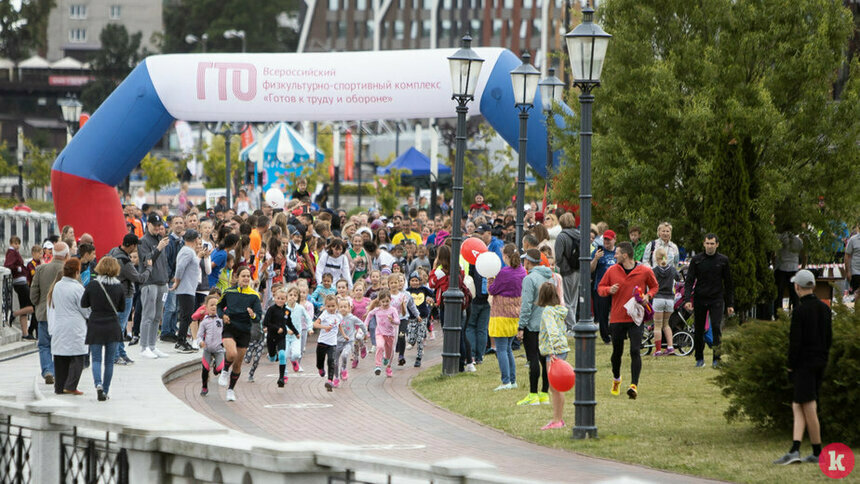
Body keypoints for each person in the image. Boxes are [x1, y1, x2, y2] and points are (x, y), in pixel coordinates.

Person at [773, 270, 832, 465]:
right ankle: (796, 447)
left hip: (804, 363)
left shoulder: (799, 311)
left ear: (797, 287)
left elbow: (795, 342)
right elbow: (829, 337)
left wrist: (791, 366)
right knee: (798, 404)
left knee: (808, 405)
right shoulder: (824, 309)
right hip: (820, 361)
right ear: (813, 286)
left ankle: (816, 450)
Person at [598, 242, 658, 400]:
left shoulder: (644, 270)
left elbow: (654, 286)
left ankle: (634, 385)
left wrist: (648, 296)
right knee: (616, 352)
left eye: (617, 253)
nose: (615, 256)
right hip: (617, 317)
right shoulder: (612, 270)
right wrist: (608, 290)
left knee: (634, 350)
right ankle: (616, 379)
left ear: (625, 255)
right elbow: (600, 287)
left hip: (636, 317)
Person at [684, 233, 735, 368]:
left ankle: (716, 358)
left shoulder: (723, 260)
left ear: (717, 244)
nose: (710, 246)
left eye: (712, 244)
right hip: (700, 298)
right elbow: (689, 281)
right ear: (704, 244)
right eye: (707, 243)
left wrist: (730, 304)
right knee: (699, 329)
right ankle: (699, 358)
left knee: (716, 327)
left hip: (717, 298)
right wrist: (687, 299)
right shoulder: (697, 260)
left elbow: (729, 283)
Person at [81, 257, 126, 402]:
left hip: (95, 324)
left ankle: (98, 384)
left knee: (96, 359)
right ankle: (105, 390)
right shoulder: (119, 287)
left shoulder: (93, 285)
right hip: (112, 325)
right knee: (109, 361)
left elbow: (84, 303)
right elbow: (122, 308)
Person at [216, 266, 263, 401]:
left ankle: (230, 390)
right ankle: (224, 371)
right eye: (243, 276)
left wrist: (253, 315)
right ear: (237, 278)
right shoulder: (229, 292)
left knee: (237, 364)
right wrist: (222, 315)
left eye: (248, 276)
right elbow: (219, 306)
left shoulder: (254, 295)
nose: (246, 278)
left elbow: (258, 316)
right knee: (231, 353)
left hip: (244, 331)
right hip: (230, 327)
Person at [516, 249, 555, 406]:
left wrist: (521, 326)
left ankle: (533, 394)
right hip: (546, 323)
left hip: (533, 324)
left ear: (528, 261)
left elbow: (526, 304)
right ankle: (544, 394)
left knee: (532, 358)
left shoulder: (529, 278)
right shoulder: (550, 277)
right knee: (544, 358)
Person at [108, 234, 152, 365]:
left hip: (113, 293)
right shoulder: (125, 262)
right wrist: (149, 268)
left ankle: (121, 353)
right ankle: (115, 356)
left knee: (118, 325)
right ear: (132, 246)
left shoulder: (113, 251)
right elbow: (139, 278)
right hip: (125, 295)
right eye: (135, 245)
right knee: (120, 326)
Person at [47, 259, 88, 395]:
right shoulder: (78, 288)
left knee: (60, 357)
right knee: (77, 357)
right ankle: (71, 385)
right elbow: (85, 309)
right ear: (77, 272)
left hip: (60, 324)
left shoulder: (57, 286)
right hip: (75, 325)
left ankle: (59, 386)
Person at [31, 241, 70, 384]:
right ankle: (58, 371)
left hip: (44, 313)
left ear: (52, 254)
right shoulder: (70, 270)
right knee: (61, 344)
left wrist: (39, 304)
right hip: (64, 315)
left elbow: (33, 294)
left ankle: (47, 370)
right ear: (66, 254)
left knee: (44, 344)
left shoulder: (41, 269)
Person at [488, 244, 526, 391]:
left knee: (502, 349)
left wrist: (490, 279)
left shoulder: (504, 273)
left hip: (501, 315)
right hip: (515, 314)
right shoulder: (522, 271)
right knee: (508, 348)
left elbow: (492, 290)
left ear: (506, 256)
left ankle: (506, 381)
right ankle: (512, 379)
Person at [536, 282, 570, 430]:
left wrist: (553, 351)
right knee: (556, 386)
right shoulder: (559, 310)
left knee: (555, 387)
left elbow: (552, 330)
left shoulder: (548, 312)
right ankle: (557, 418)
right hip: (561, 349)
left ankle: (557, 419)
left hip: (554, 351)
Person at [137, 214, 171, 359]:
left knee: (157, 316)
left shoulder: (159, 239)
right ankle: (144, 346)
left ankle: (152, 345)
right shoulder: (143, 241)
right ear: (148, 224)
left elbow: (164, 262)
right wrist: (158, 248)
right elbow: (147, 261)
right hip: (149, 282)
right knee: (148, 315)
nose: (158, 228)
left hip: (162, 282)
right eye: (155, 225)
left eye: (159, 225)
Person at [173, 230, 206, 352]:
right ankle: (180, 341)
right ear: (195, 239)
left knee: (187, 315)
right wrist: (177, 281)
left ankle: (182, 340)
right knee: (186, 315)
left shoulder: (189, 251)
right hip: (185, 288)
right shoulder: (187, 251)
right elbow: (180, 266)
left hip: (189, 288)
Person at [262, 288, 298, 388]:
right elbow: (266, 323)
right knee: (272, 358)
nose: (280, 300)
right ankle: (273, 356)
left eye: (282, 298)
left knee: (282, 354)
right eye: (278, 298)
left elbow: (289, 323)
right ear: (275, 298)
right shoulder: (271, 309)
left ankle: (281, 378)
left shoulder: (287, 311)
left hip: (281, 337)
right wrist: (276, 328)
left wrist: (296, 332)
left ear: (286, 299)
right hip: (271, 336)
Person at [554, 213, 581, 333]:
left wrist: (560, 266)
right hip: (578, 269)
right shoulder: (580, 234)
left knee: (566, 299)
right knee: (574, 300)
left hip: (566, 270)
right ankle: (572, 324)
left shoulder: (561, 237)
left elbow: (558, 256)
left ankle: (572, 326)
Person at [651, 248, 679, 356]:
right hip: (670, 300)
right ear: (666, 257)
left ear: (656, 258)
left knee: (657, 325)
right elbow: (678, 278)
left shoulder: (654, 271)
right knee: (666, 324)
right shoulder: (672, 269)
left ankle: (658, 349)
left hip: (658, 299)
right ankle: (670, 347)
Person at [590, 229, 617, 344]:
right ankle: (605, 337)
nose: (606, 242)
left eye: (608, 240)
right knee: (603, 313)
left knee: (616, 312)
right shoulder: (598, 252)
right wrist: (595, 258)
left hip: (616, 286)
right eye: (605, 239)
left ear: (614, 240)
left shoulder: (618, 251)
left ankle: (614, 333)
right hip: (601, 286)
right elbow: (590, 269)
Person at [365, 289, 399, 377]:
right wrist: (365, 325)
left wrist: (392, 320)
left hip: (390, 334)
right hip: (379, 332)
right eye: (383, 301)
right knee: (379, 346)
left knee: (389, 352)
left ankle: (388, 364)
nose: (385, 303)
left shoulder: (393, 310)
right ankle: (378, 366)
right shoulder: (377, 310)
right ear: (379, 301)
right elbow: (369, 315)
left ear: (390, 300)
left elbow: (398, 321)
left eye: (387, 301)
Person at [5, 236, 34, 339]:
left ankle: (25, 333)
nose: (17, 245)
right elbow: (8, 265)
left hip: (21, 281)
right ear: (11, 243)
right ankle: (14, 314)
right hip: (19, 282)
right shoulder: (12, 253)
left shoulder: (14, 252)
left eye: (18, 243)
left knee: (24, 306)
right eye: (15, 243)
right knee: (32, 306)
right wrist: (18, 268)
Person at [334, 298, 367, 386]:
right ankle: (336, 378)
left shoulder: (352, 318)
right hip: (337, 342)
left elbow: (361, 324)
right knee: (335, 361)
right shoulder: (336, 317)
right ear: (338, 308)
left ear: (349, 308)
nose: (343, 309)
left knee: (345, 355)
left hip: (348, 342)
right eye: (341, 307)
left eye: (345, 307)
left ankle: (344, 368)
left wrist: (365, 333)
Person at [197, 294, 225, 397]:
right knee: (205, 369)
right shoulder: (204, 322)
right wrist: (200, 342)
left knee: (220, 369)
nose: (214, 307)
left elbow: (226, 332)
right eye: (211, 305)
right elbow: (199, 336)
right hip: (207, 349)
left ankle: (216, 368)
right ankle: (204, 387)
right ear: (206, 307)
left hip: (219, 349)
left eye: (216, 305)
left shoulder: (221, 320)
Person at [313, 295, 343, 391]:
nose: (331, 308)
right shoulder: (324, 314)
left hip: (332, 343)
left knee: (331, 361)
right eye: (328, 306)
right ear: (325, 306)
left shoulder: (339, 316)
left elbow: (339, 326)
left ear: (337, 305)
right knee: (319, 362)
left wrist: (344, 335)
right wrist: (325, 327)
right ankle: (320, 368)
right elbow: (315, 324)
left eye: (333, 306)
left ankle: (330, 380)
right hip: (322, 342)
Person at [774, 229, 804, 315]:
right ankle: (796, 315)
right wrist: (802, 268)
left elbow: (774, 253)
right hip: (794, 269)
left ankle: (778, 315)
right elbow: (804, 254)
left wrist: (774, 265)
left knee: (779, 295)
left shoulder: (779, 238)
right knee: (794, 295)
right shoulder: (798, 241)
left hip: (781, 268)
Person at [844, 230, 860, 298]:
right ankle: (857, 308)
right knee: (858, 294)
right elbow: (847, 255)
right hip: (856, 272)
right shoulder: (853, 239)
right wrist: (848, 272)